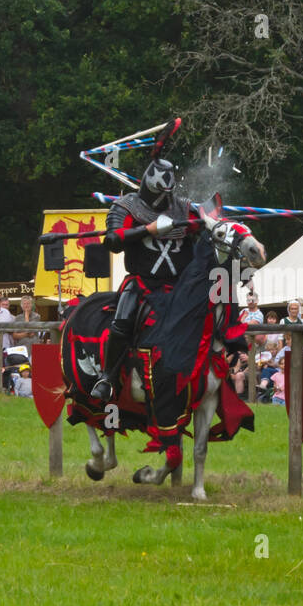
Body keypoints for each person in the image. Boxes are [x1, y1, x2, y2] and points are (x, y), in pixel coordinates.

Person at [90, 126, 202, 402]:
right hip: (142, 284)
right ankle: (108, 377)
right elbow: (113, 241)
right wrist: (148, 229)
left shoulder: (184, 208)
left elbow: (205, 233)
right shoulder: (127, 206)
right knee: (121, 323)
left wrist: (209, 225)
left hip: (178, 287)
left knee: (208, 318)